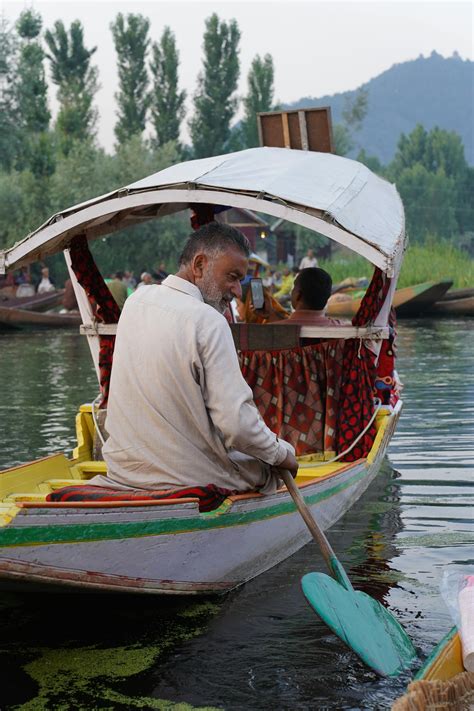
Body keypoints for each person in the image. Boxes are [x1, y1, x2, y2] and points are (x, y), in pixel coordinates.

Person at [91, 221, 298, 495]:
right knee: (271, 469)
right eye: (233, 277)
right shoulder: (209, 321)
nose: (238, 291)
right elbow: (238, 426)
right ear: (199, 265)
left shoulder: (136, 301)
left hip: (123, 471)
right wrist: (283, 453)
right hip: (190, 479)